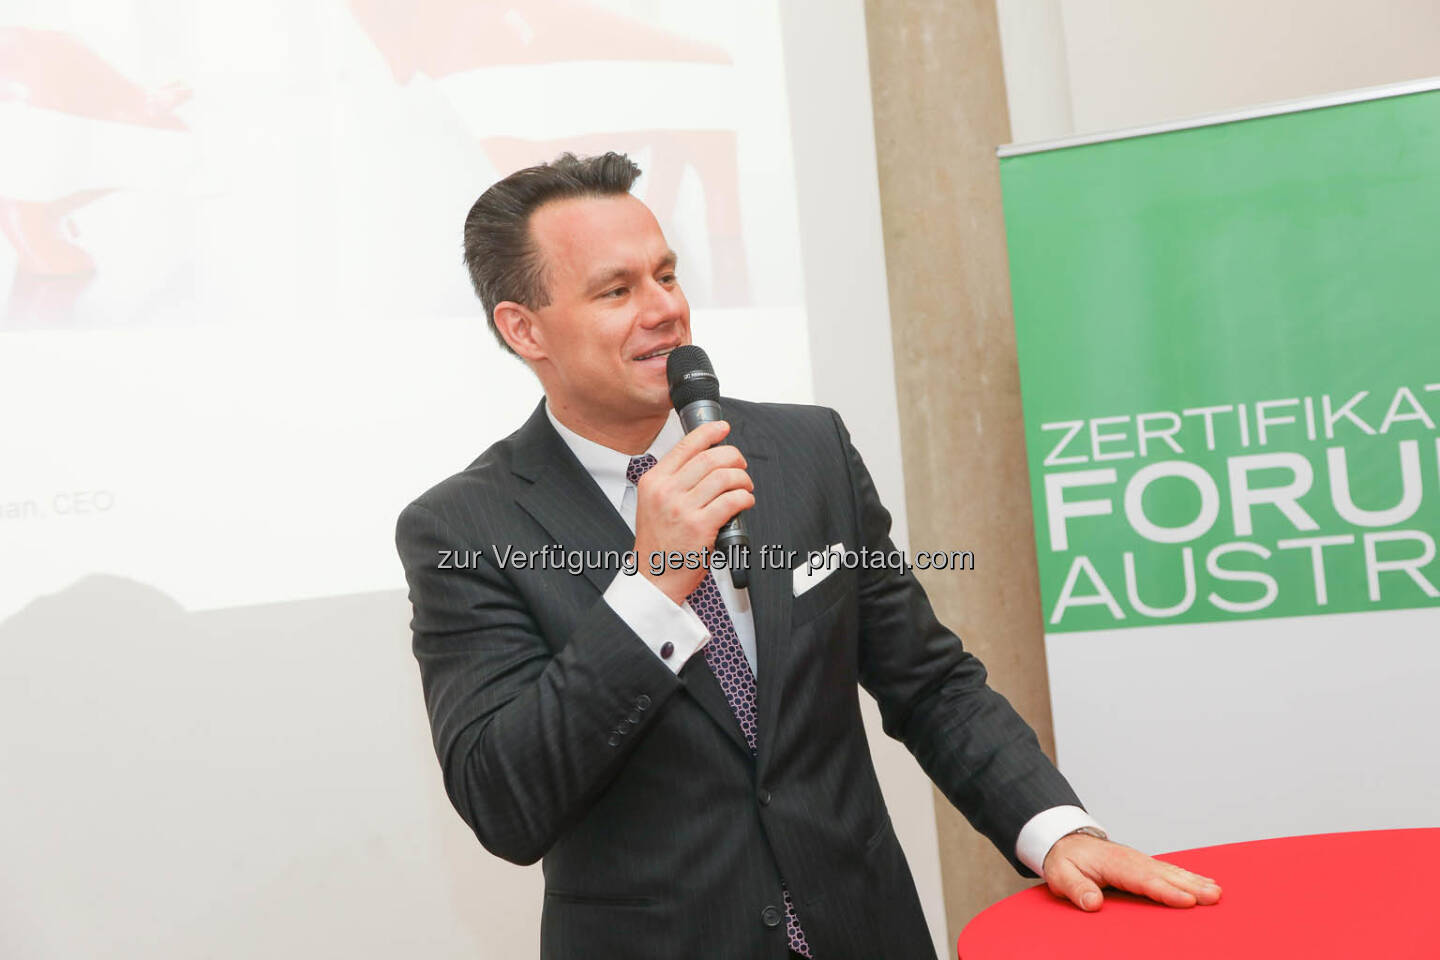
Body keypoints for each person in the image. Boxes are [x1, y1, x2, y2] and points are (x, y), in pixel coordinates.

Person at [395, 152, 1221, 959]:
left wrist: (1055, 831)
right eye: (617, 290)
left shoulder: (805, 451)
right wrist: (651, 588)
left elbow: (928, 681)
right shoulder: (462, 529)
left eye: (667, 275)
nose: (665, 308)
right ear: (524, 328)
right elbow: (505, 802)